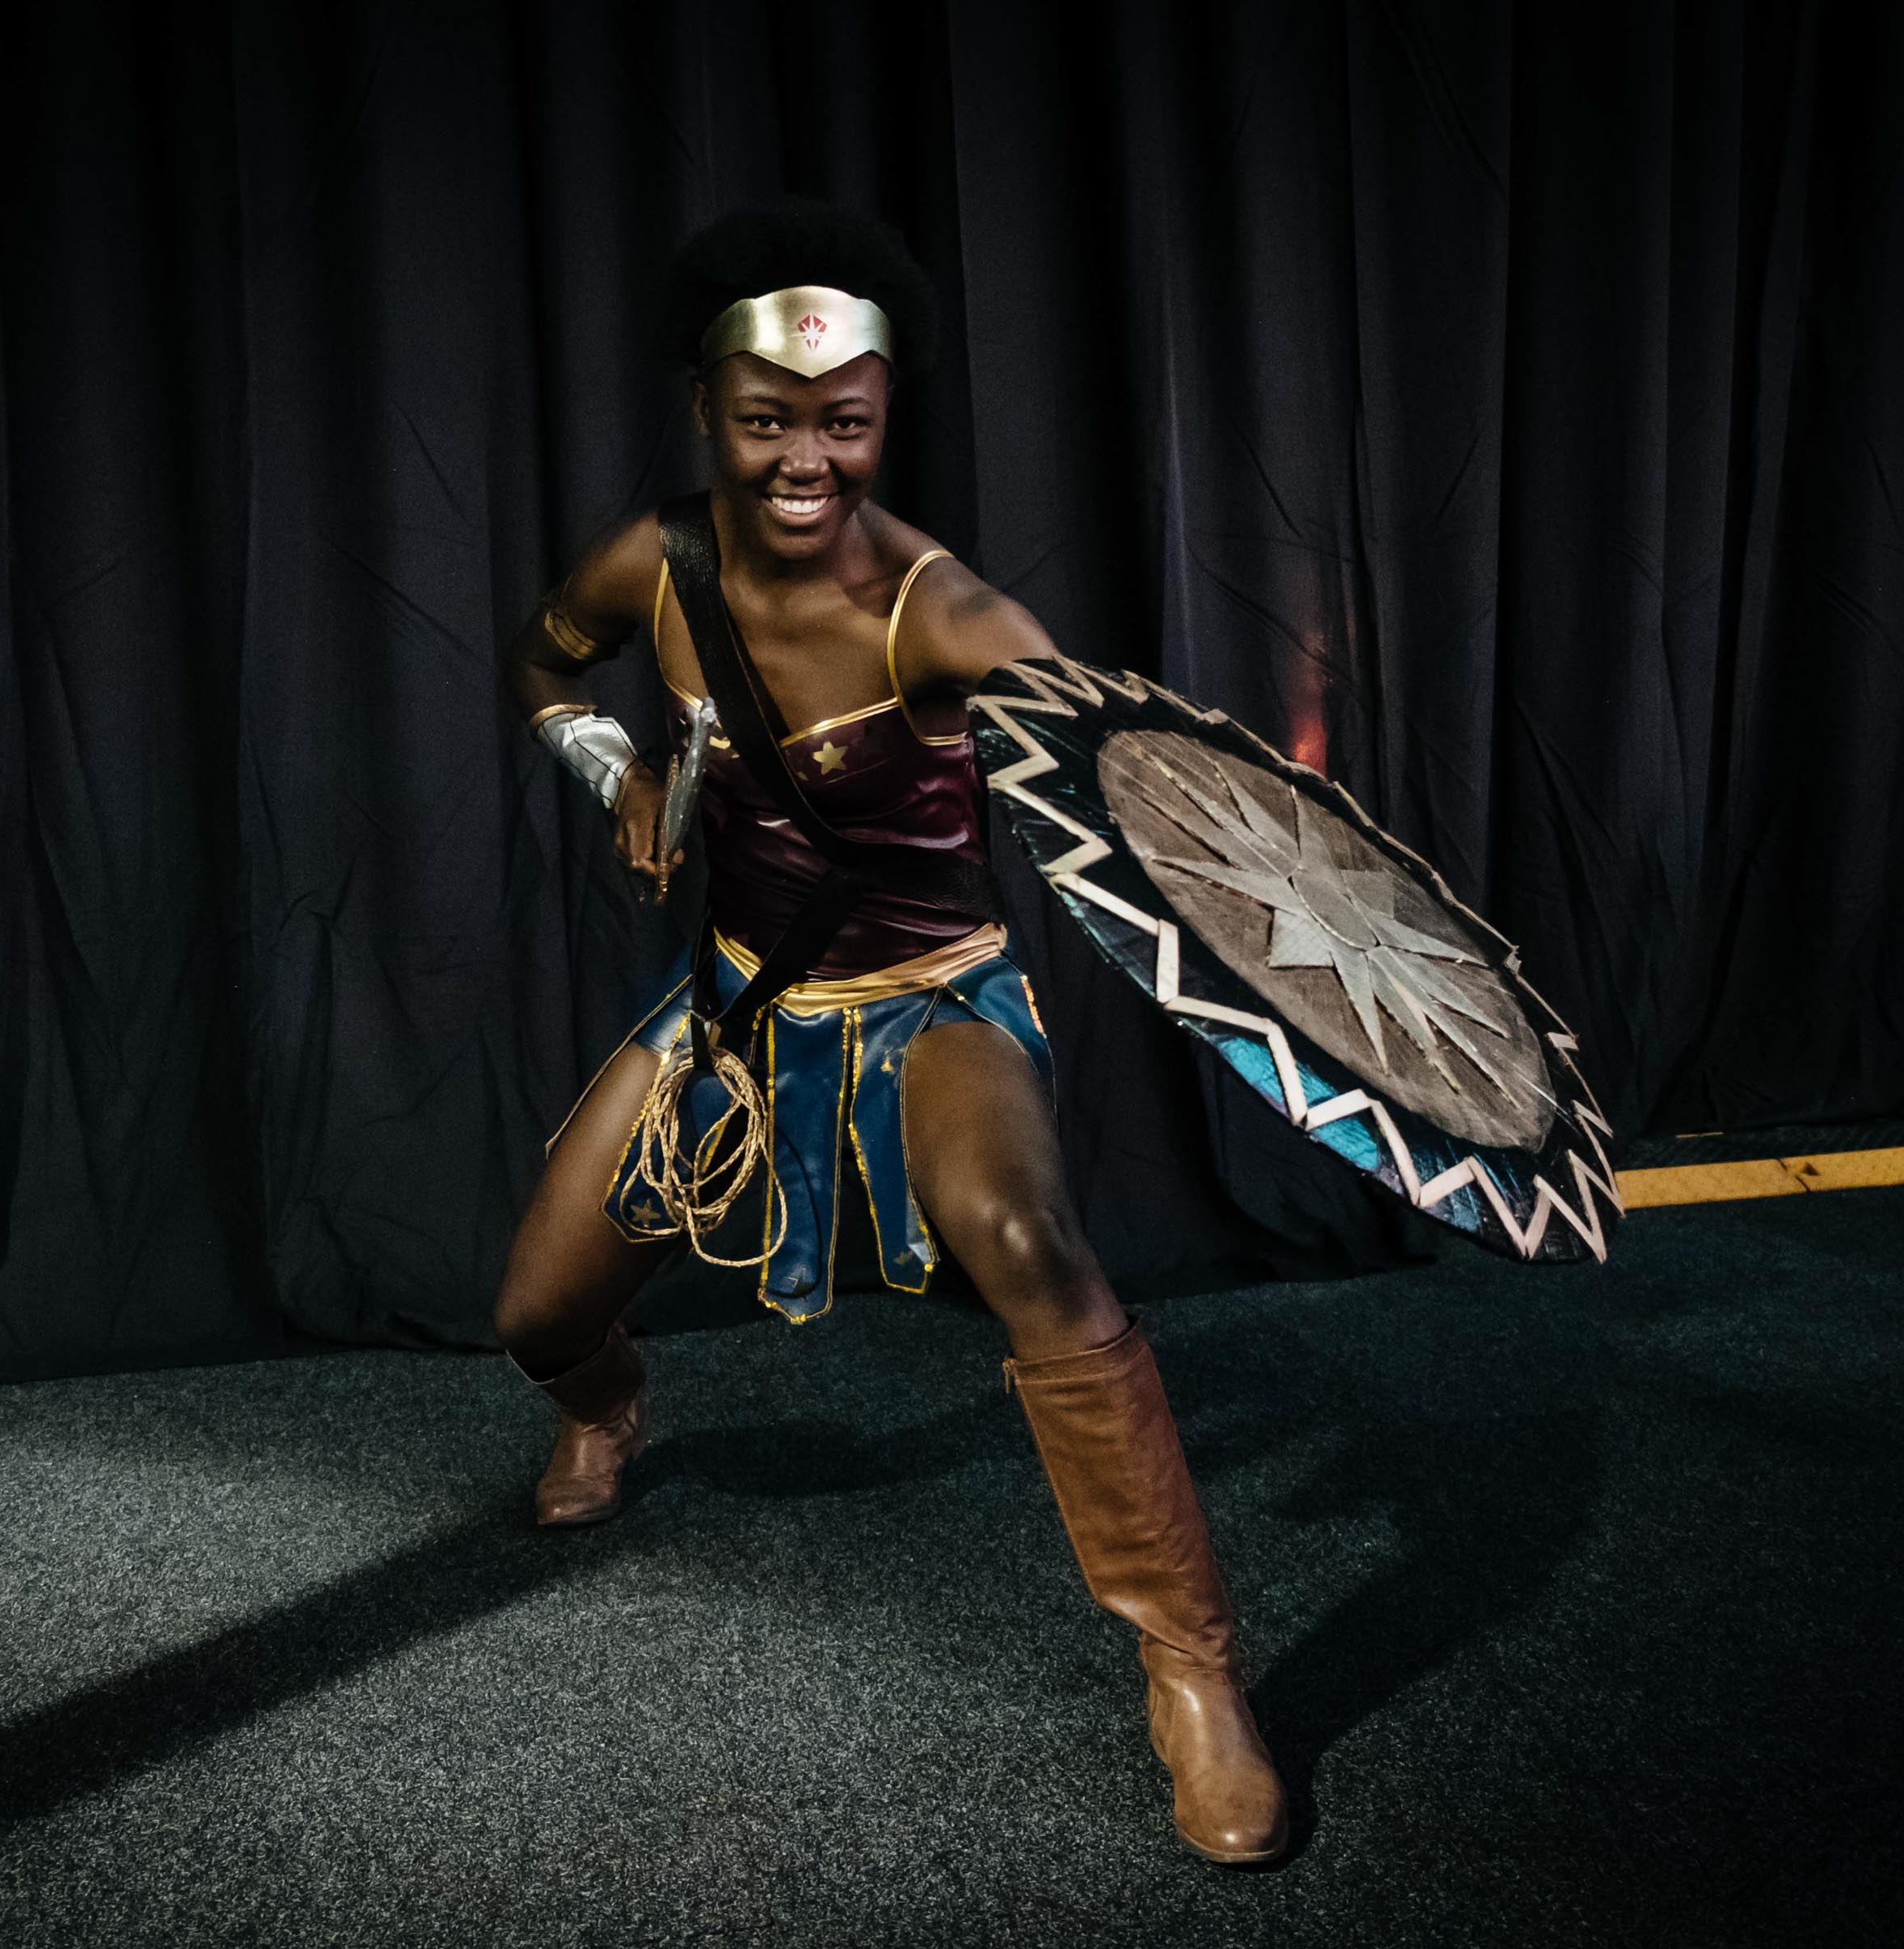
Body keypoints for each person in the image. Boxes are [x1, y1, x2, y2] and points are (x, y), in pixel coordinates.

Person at [495, 203, 1287, 1866]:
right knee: (539, 1309)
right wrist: (618, 769)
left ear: (880, 420)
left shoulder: (956, 617)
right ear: (713, 410)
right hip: (737, 1003)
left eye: (840, 422)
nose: (805, 460)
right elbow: (549, 673)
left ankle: (1192, 1666)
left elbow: (1133, 809)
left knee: (1021, 1232)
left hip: (936, 997)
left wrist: (1288, 877)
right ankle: (609, 1410)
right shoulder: (652, 563)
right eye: (768, 421)